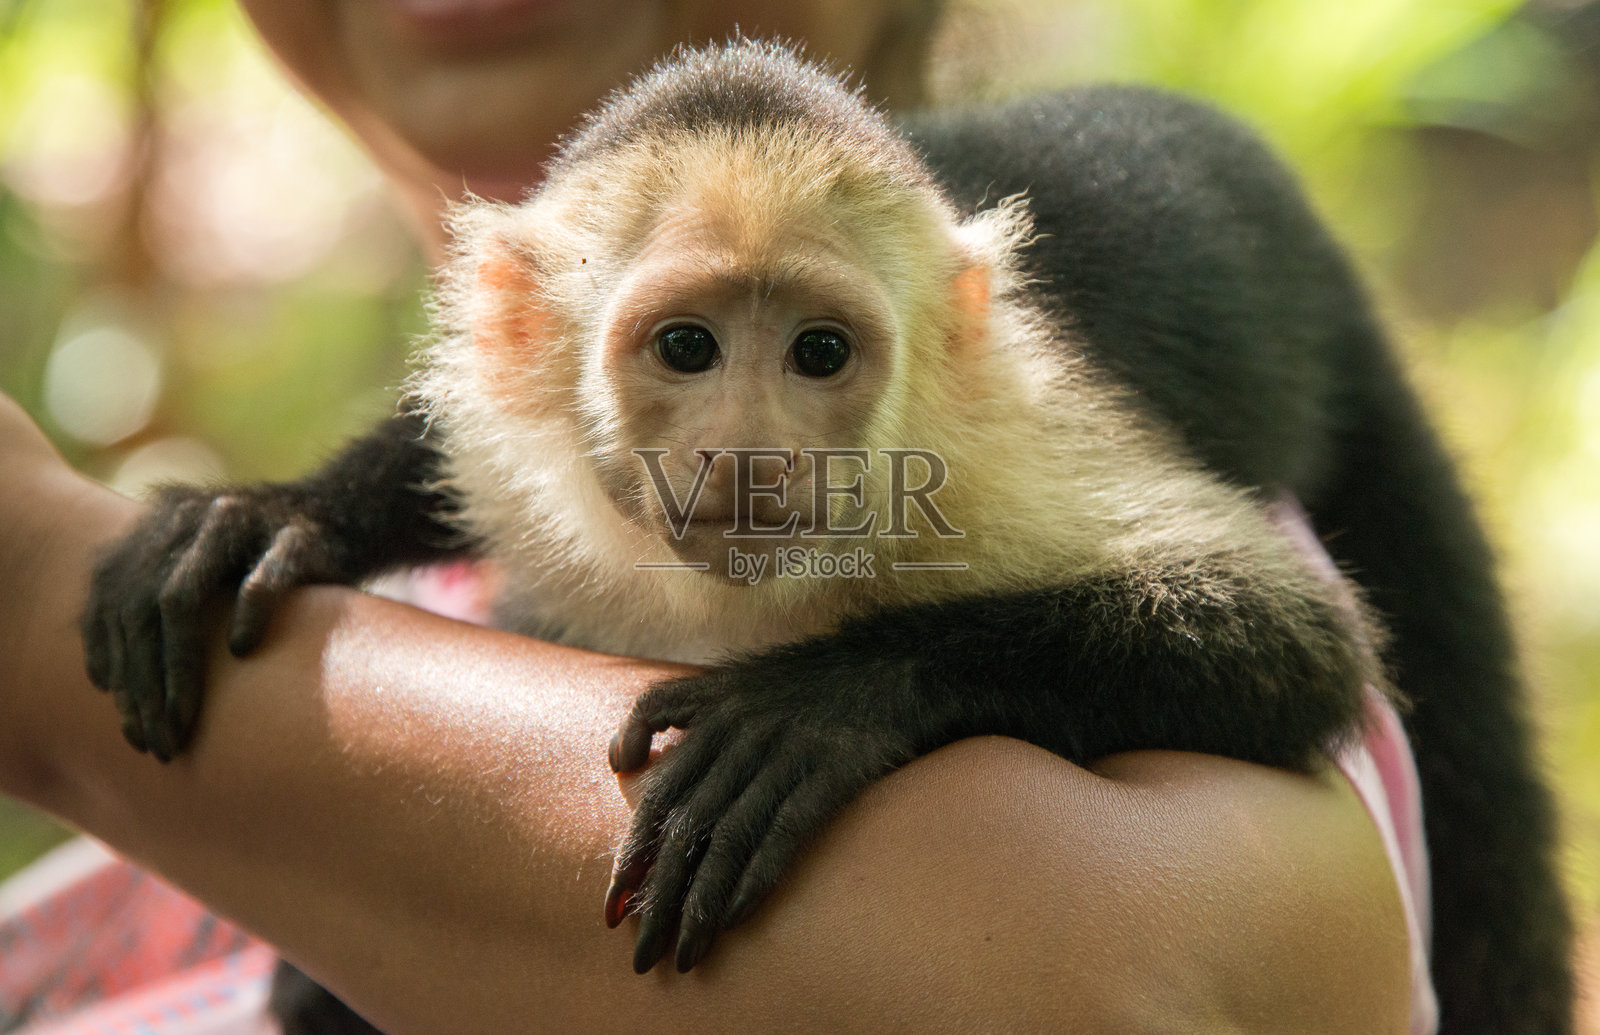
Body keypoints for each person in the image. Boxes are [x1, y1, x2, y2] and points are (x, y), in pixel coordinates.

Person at [0, 2, 1425, 1030]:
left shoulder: (1005, 454)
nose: (748, 458)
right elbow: (473, 447)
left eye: (820, 356)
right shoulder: (514, 462)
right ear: (516, 329)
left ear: (959, 343)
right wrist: (306, 517)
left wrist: (30, 597)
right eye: (682, 350)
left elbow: (1285, 661)